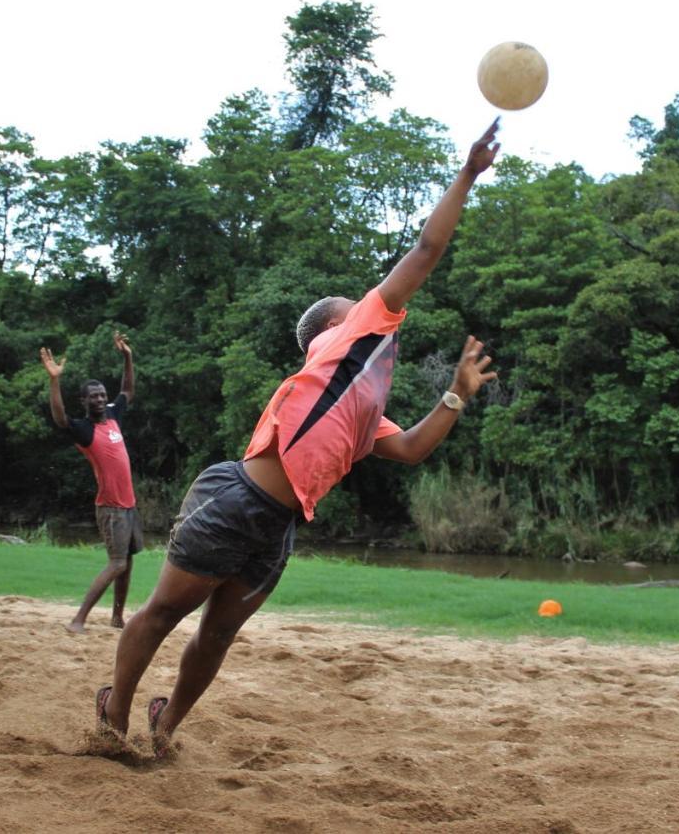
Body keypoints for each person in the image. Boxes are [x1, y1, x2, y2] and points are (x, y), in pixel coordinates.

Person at [97, 120, 502, 752]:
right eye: (359, 302)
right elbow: (426, 250)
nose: (379, 303)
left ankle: (165, 722)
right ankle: (113, 715)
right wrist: (467, 174)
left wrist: (455, 394)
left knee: (218, 634)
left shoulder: (360, 403)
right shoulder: (348, 335)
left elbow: (414, 449)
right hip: (235, 499)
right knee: (166, 612)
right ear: (335, 327)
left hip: (277, 526)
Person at [40, 331, 142, 633]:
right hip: (111, 507)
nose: (99, 399)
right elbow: (60, 418)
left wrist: (127, 357)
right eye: (93, 396)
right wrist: (54, 379)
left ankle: (117, 617)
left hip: (130, 505)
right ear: (84, 401)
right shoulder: (84, 429)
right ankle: (78, 620)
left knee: (128, 562)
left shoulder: (112, 415)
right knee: (117, 563)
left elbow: (128, 391)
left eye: (101, 395)